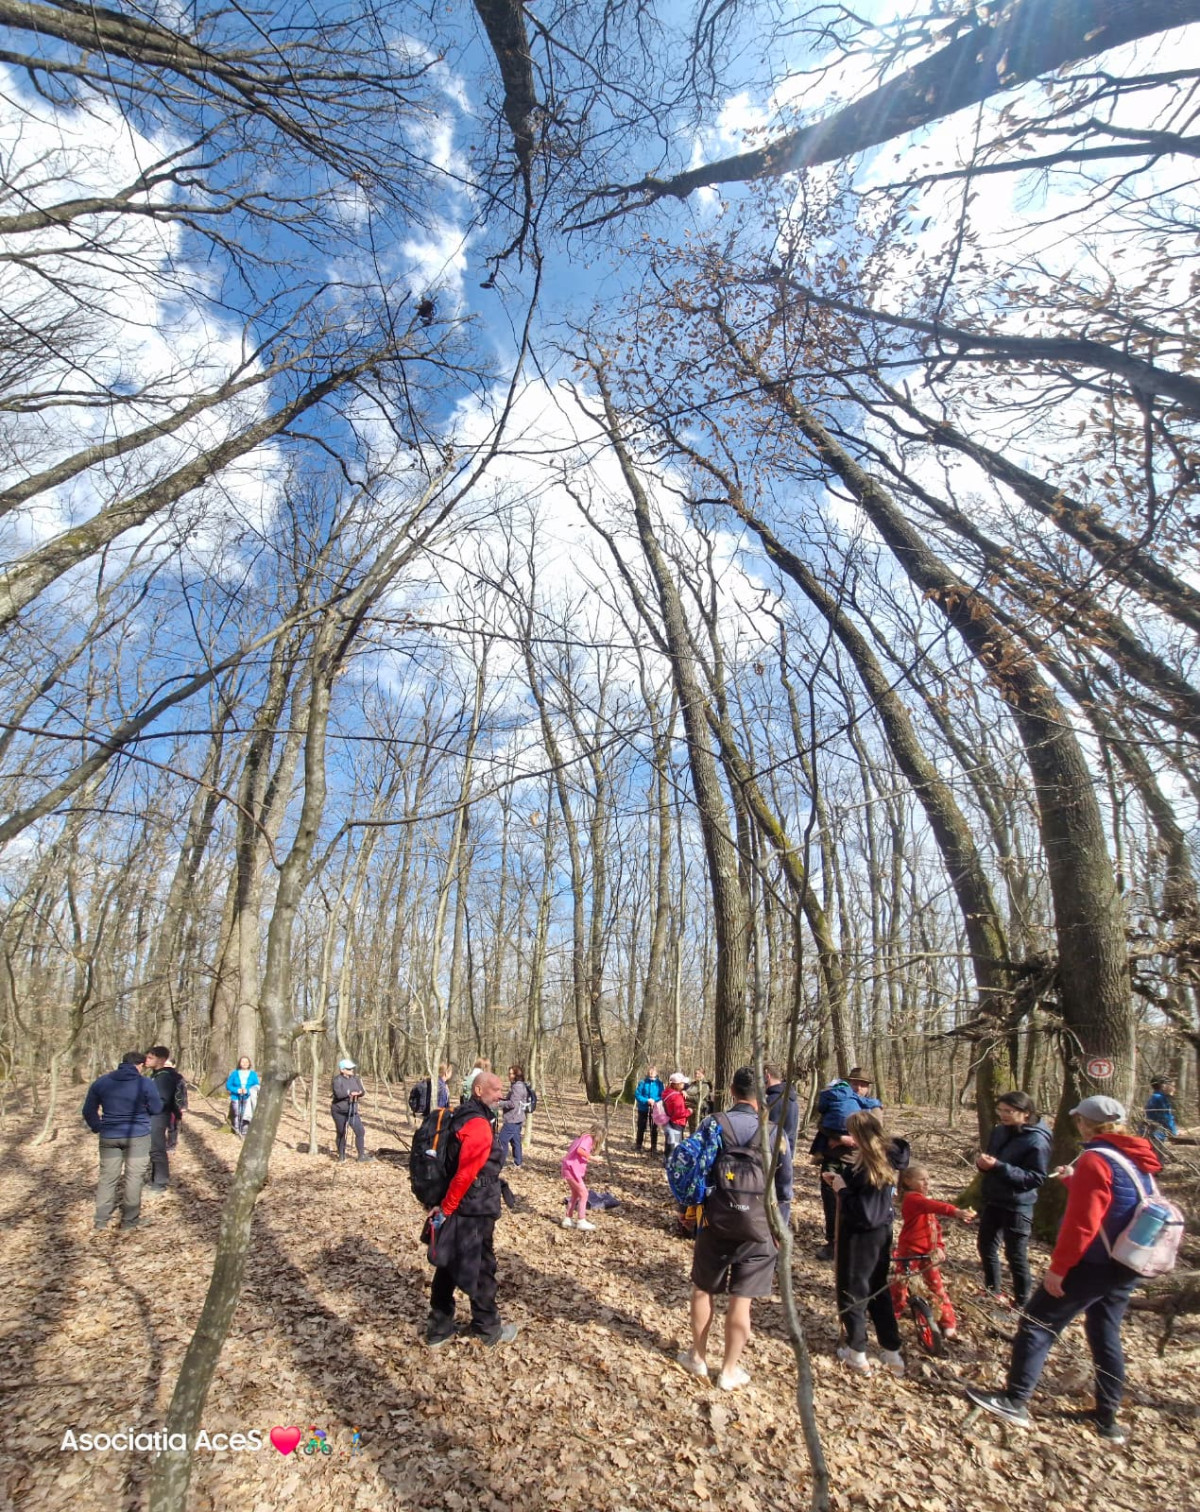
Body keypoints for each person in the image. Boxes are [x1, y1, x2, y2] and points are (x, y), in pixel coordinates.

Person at [966, 1095, 1163, 1444]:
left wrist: (1059, 1269)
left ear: (1085, 1124)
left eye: (1079, 1121)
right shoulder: (1134, 1156)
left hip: (1093, 1263)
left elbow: (1082, 1225)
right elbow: (1117, 1200)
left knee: (1036, 1324)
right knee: (1104, 1331)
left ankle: (1015, 1400)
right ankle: (1107, 1418)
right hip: (1125, 1260)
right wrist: (1075, 1181)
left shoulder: (1095, 1159)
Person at [676, 1066, 793, 1392]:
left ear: (731, 1090)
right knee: (742, 1300)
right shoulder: (775, 1133)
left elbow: (695, 1170)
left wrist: (687, 1209)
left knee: (703, 1290)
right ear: (762, 1094)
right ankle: (728, 1370)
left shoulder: (713, 1124)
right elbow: (785, 1189)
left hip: (715, 1221)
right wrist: (779, 1229)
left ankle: (697, 1357)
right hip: (760, 1227)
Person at [425, 1070, 519, 1348]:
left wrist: (445, 1207)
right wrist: (446, 1208)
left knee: (448, 1262)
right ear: (479, 1091)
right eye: (495, 1089)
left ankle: (439, 1328)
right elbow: (466, 1173)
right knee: (481, 1267)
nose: (500, 1095)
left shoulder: (466, 1115)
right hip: (472, 1207)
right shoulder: (476, 1124)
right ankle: (486, 1328)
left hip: (465, 1203)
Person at [825, 1108, 909, 1375]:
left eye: (852, 1133)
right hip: (880, 1233)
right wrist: (841, 1181)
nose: (849, 1138)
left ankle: (857, 1352)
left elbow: (865, 1212)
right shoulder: (879, 1158)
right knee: (876, 1288)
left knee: (855, 1289)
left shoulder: (874, 1164)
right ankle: (891, 1351)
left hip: (862, 1237)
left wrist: (842, 1190)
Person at [975, 1090, 1051, 1307]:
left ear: (1026, 1113)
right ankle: (992, 1291)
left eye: (1009, 1111)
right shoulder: (999, 1131)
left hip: (1018, 1204)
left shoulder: (1037, 1140)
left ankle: (1022, 1303)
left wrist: (999, 1167)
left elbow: (1035, 1178)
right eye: (1000, 1110)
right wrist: (984, 1165)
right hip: (994, 1199)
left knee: (1015, 1255)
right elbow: (992, 1160)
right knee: (985, 1246)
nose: (1003, 1115)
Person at [890, 1165, 974, 1341]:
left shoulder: (923, 1201)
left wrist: (939, 1247)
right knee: (901, 1283)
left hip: (929, 1253)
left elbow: (935, 1227)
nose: (927, 1182)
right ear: (908, 1181)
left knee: (937, 1287)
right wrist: (956, 1212)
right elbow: (934, 1206)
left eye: (928, 1179)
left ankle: (948, 1323)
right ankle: (892, 1313)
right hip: (910, 1251)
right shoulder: (912, 1199)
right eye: (922, 1179)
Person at [82, 1050, 163, 1231]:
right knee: (134, 1178)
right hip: (138, 1136)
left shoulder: (102, 1082)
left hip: (109, 1136)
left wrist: (98, 1126)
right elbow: (157, 1108)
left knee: (107, 1178)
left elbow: (88, 1110)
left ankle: (101, 1220)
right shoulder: (145, 1083)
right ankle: (129, 1221)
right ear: (140, 1065)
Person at [810, 1067, 882, 1260]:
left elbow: (877, 1135)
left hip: (859, 1165)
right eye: (855, 1083)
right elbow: (822, 1124)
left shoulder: (873, 1109)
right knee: (831, 1203)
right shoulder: (838, 1100)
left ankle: (853, 1245)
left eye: (863, 1085)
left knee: (855, 1205)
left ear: (868, 1088)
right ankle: (832, 1243)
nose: (858, 1088)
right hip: (833, 1161)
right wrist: (840, 1138)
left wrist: (855, 1140)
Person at [144, 1045, 187, 1191]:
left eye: (151, 1057)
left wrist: (147, 1108)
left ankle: (160, 1182)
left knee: (157, 1149)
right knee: (153, 1148)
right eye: (147, 1057)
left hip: (159, 1116)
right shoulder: (155, 1075)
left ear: (161, 1060)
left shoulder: (164, 1077)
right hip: (153, 1115)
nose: (147, 1060)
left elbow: (162, 1100)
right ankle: (155, 1179)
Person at [561, 1121, 604, 1230]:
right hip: (571, 1169)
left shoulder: (583, 1137)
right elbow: (580, 1150)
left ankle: (567, 1219)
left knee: (575, 1195)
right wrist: (593, 1158)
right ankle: (581, 1220)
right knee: (584, 1194)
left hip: (569, 1169)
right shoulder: (588, 1138)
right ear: (599, 1134)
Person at [331, 1059, 371, 1162]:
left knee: (360, 1131)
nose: (352, 1070)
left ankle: (361, 1156)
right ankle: (341, 1155)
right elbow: (338, 1094)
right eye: (349, 1069)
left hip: (352, 1110)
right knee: (341, 1132)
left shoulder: (356, 1079)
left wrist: (358, 1093)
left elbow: (362, 1091)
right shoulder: (337, 1080)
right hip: (339, 1111)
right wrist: (350, 1093)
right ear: (342, 1070)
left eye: (352, 1068)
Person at [497, 1064, 531, 1169]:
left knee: (502, 1140)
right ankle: (518, 1162)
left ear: (517, 1075)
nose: (509, 1075)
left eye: (511, 1073)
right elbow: (513, 1100)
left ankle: (499, 1164)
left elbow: (512, 1104)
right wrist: (502, 1099)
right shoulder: (518, 1085)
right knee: (515, 1141)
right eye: (509, 1073)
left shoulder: (517, 1087)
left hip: (513, 1119)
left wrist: (499, 1103)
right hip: (517, 1118)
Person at [764, 1064, 800, 1153]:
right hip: (787, 1151)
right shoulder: (793, 1100)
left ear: (767, 1076)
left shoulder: (771, 1101)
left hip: (771, 1153)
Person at [634, 1064, 664, 1153]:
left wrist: (654, 1101)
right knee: (641, 1127)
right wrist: (647, 1100)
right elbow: (637, 1095)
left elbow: (662, 1095)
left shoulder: (659, 1084)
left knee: (654, 1128)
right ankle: (638, 1146)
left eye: (653, 1071)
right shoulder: (642, 1083)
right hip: (643, 1108)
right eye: (650, 1071)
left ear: (656, 1073)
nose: (651, 1073)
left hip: (655, 1108)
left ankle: (653, 1147)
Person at [226, 1056, 259, 1137]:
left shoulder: (253, 1074)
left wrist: (247, 1090)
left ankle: (244, 1130)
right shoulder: (234, 1073)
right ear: (239, 1063)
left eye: (246, 1062)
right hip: (236, 1097)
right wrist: (237, 1090)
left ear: (249, 1064)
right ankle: (237, 1130)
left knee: (246, 1114)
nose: (244, 1063)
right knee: (237, 1113)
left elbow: (257, 1086)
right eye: (242, 1062)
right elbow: (228, 1085)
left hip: (248, 1098)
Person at [1144, 1077, 1178, 1145]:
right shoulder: (1160, 1098)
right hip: (1157, 1133)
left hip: (1152, 1131)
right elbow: (1166, 1118)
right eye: (1172, 1086)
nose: (1174, 1089)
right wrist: (1174, 1132)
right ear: (1163, 1086)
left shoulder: (1154, 1097)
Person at [663, 1072, 690, 1154]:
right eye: (682, 1083)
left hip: (669, 1121)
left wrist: (682, 1091)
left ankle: (667, 1158)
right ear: (676, 1085)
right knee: (675, 1145)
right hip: (677, 1123)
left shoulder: (667, 1092)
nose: (684, 1085)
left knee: (669, 1143)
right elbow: (679, 1113)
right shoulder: (677, 1097)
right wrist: (689, 1111)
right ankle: (672, 1160)